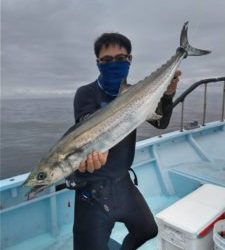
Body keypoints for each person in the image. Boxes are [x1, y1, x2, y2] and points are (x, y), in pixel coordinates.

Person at [67, 32, 181, 250]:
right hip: (92, 189)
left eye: (120, 58)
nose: (114, 64)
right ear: (98, 63)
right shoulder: (86, 94)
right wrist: (87, 154)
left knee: (148, 230)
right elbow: (84, 128)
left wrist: (167, 95)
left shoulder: (138, 94)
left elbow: (161, 124)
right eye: (107, 60)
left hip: (122, 182)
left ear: (130, 60)